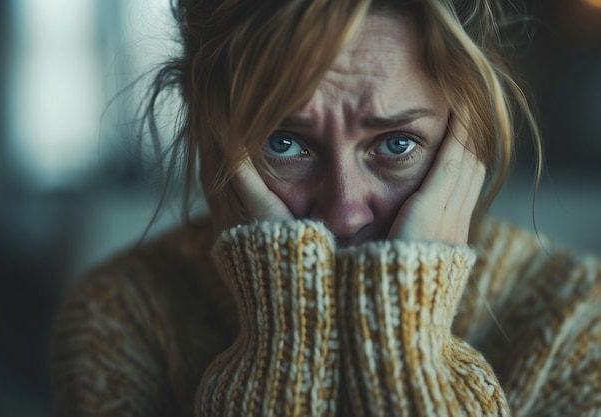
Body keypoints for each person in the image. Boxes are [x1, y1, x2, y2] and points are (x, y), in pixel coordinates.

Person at [50, 0, 601, 416]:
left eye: (396, 144)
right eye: (284, 143)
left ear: (468, 142)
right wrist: (283, 330)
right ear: (214, 142)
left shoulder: (574, 322)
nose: (342, 213)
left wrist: (408, 341)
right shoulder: (124, 320)